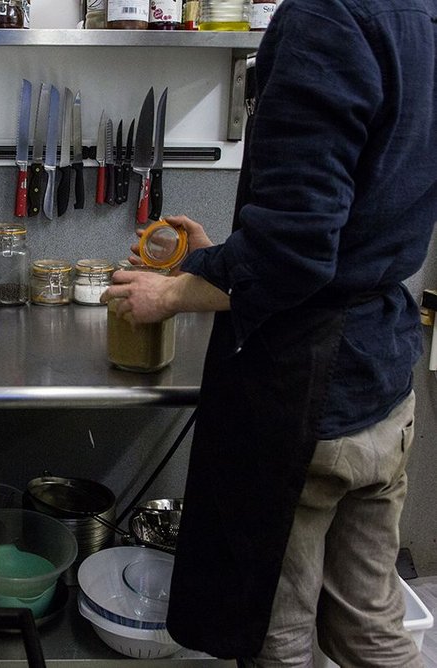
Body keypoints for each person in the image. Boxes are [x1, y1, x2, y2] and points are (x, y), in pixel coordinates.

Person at [101, 0, 437, 665]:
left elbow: (296, 254)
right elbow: (346, 225)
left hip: (309, 403)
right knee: (369, 625)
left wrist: (171, 291)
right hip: (385, 381)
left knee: (275, 635)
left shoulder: (329, 17)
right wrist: (221, 259)